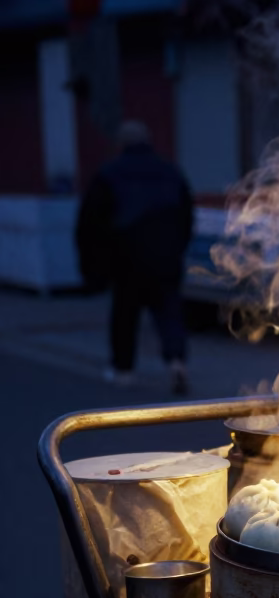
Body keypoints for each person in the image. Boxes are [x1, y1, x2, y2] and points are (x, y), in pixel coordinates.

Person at [75, 120, 195, 394]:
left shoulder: (109, 174)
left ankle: (123, 370)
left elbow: (91, 222)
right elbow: (187, 214)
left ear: (121, 144)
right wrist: (177, 247)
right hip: (166, 256)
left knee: (125, 315)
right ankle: (176, 361)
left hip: (126, 258)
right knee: (169, 313)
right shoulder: (170, 171)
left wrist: (94, 265)